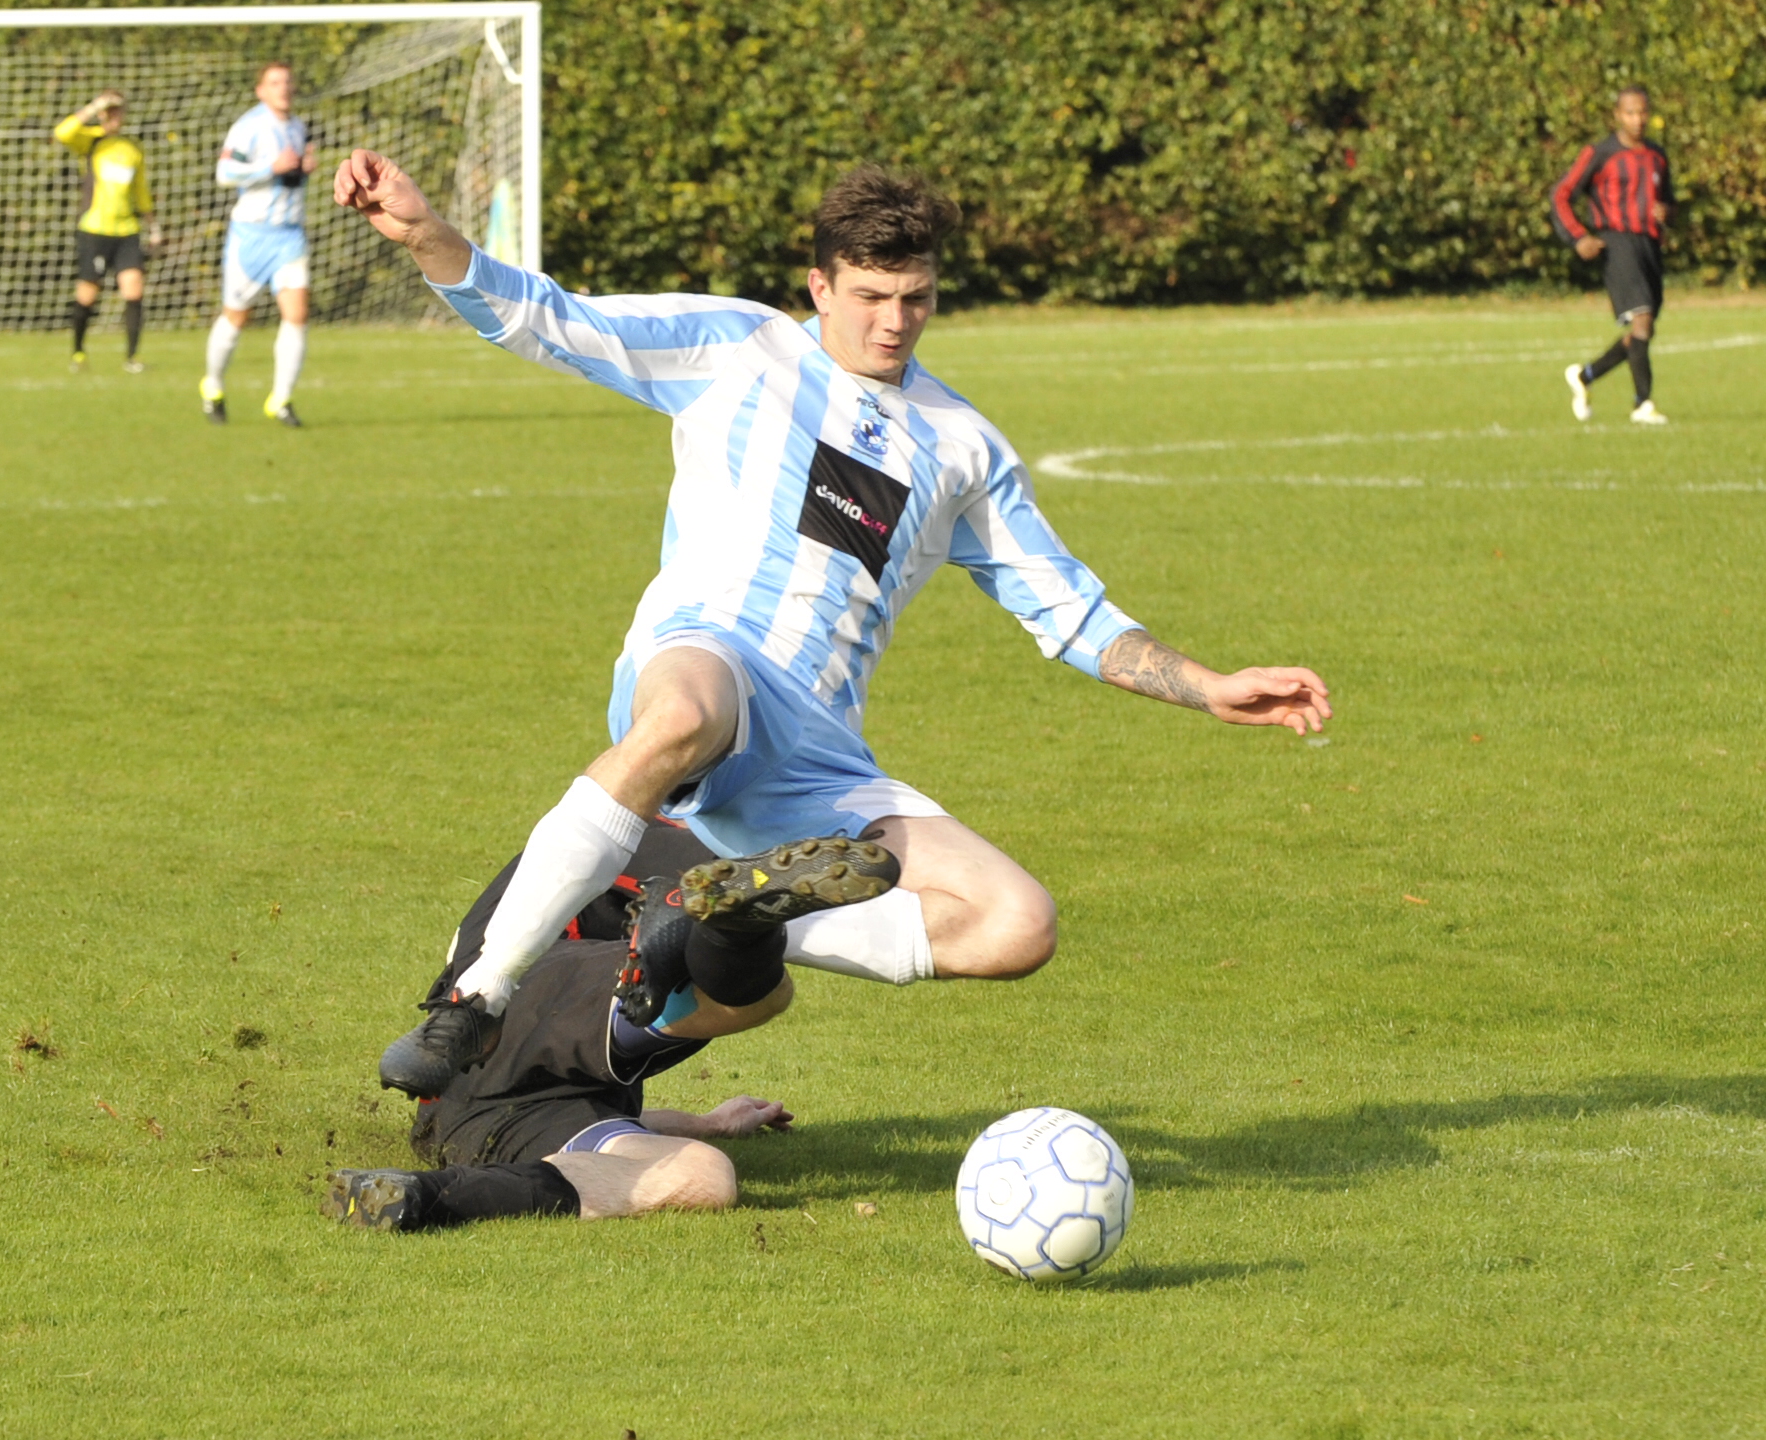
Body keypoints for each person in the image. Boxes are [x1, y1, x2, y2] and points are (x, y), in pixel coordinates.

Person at [334, 149, 1334, 1099]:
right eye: (869, 296)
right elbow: (547, 319)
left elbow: (1066, 610)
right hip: (708, 653)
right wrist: (425, 233)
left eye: (914, 298)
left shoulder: (961, 448)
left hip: (816, 752)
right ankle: (474, 1000)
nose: (893, 322)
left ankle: (716, 908)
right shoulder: (736, 347)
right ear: (818, 287)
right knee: (682, 714)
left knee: (1016, 925)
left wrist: (1207, 686)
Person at [327, 821, 803, 1231]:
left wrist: (709, 1125)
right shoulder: (645, 837)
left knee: (704, 1176)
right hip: (515, 1007)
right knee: (747, 995)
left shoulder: (598, 833)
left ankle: (411, 1196)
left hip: (483, 1112)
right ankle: (735, 937)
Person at [200, 61, 315, 428]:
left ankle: (281, 399)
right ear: (260, 90)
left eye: (287, 81)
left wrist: (303, 168)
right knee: (236, 316)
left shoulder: (298, 127)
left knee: (296, 315)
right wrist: (270, 167)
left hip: (289, 235)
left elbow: (290, 173)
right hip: (251, 235)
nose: (282, 87)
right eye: (274, 82)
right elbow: (224, 173)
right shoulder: (249, 127)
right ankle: (213, 385)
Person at [1554, 85, 1674, 426]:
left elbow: (1670, 202)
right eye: (1630, 113)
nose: (1638, 120)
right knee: (1642, 318)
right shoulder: (1600, 152)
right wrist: (1578, 237)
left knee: (1643, 330)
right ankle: (1643, 404)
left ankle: (1586, 376)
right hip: (1616, 241)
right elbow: (1560, 195)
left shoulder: (1657, 156)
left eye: (1643, 112)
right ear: (1617, 116)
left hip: (1649, 245)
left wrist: (1668, 213)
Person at [53, 90, 158, 374]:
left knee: (134, 289)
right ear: (102, 114)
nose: (113, 117)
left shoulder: (131, 149)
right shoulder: (91, 141)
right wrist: (94, 106)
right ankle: (77, 352)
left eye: (117, 112)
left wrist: (152, 225)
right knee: (87, 294)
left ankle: (132, 357)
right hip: (95, 230)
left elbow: (141, 191)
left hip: (127, 231)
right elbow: (63, 132)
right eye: (108, 112)